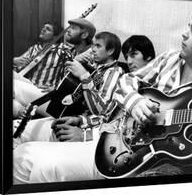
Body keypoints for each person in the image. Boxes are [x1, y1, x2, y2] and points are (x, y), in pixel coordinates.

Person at [13, 3, 192, 183]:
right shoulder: (169, 59)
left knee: (26, 158)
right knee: (18, 134)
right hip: (108, 131)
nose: (185, 33)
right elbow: (127, 81)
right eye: (188, 26)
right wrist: (135, 101)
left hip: (128, 157)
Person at [13, 32, 125, 183]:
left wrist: (84, 76)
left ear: (111, 51)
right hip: (71, 119)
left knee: (33, 159)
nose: (92, 49)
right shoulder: (96, 69)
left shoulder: (115, 73)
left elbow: (102, 111)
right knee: (15, 132)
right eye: (92, 45)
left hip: (83, 131)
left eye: (98, 46)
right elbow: (69, 89)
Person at [13, 18, 96, 117]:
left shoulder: (91, 55)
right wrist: (55, 87)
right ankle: (23, 114)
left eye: (73, 28)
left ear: (84, 35)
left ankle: (24, 114)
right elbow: (65, 79)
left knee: (13, 85)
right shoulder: (72, 52)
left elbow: (85, 91)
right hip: (53, 95)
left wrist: (56, 89)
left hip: (62, 105)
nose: (68, 30)